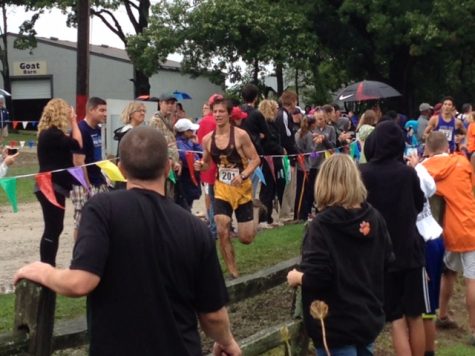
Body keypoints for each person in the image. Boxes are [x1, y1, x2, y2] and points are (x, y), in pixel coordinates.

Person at [14, 127, 241, 356]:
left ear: (120, 168)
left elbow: (80, 282)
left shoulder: (102, 209)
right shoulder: (196, 228)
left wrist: (43, 271)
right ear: (167, 167)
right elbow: (212, 314)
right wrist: (227, 341)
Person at [287, 154, 394, 356]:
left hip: (334, 325)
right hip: (367, 317)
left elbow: (318, 276)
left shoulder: (322, 225)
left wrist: (298, 277)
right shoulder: (374, 217)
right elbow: (387, 261)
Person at [360, 120, 428, 356]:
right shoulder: (407, 174)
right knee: (414, 315)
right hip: (409, 250)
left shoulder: (363, 174)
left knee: (396, 318)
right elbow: (419, 205)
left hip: (381, 254)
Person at [194, 97, 260, 279]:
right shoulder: (208, 139)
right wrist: (201, 165)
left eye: (221, 111)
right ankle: (233, 271)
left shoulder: (240, 135)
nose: (217, 115)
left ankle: (255, 208)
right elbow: (207, 164)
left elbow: (255, 159)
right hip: (221, 188)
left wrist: (243, 174)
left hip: (242, 189)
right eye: (214, 111)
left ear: (229, 114)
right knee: (222, 229)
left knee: (246, 238)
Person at [421, 131, 475, 345]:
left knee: (449, 272)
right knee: (472, 278)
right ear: (446, 146)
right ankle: (474, 329)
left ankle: (441, 314)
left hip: (443, 230)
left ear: (428, 148)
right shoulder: (461, 162)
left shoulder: (423, 169)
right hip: (468, 225)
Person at [35, 99, 82, 266]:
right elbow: (78, 145)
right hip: (49, 186)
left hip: (53, 185)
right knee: (53, 227)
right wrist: (75, 122)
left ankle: (48, 264)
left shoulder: (51, 134)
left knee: (55, 227)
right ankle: (47, 265)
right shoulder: (53, 134)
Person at [71, 97, 109, 239]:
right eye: (101, 110)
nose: (105, 113)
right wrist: (87, 185)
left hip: (98, 179)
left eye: (106, 110)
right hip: (82, 182)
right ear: (91, 110)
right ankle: (78, 254)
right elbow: (78, 162)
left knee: (100, 218)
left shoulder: (99, 130)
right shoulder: (81, 130)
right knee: (81, 220)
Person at [148, 92, 181, 198]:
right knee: (163, 197)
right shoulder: (156, 121)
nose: (170, 106)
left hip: (172, 166)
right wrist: (169, 161)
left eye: (172, 103)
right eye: (167, 103)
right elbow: (155, 146)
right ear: (160, 103)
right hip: (163, 167)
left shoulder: (169, 120)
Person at [258, 99, 284, 228]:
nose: (278, 111)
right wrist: (280, 149)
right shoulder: (267, 125)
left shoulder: (271, 124)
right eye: (276, 108)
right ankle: (263, 218)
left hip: (274, 159)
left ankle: (268, 217)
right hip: (269, 160)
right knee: (267, 190)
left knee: (271, 189)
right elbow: (269, 143)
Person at [174, 118, 202, 211]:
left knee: (188, 203)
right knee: (185, 204)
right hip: (185, 177)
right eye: (190, 130)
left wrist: (196, 144)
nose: (193, 132)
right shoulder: (179, 143)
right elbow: (187, 157)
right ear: (184, 132)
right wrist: (197, 158)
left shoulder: (189, 141)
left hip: (191, 176)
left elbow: (201, 153)